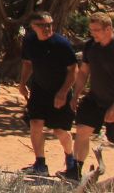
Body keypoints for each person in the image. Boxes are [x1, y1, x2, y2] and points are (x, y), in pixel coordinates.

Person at [64, 13, 114, 183]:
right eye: (91, 30)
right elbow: (84, 72)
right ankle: (74, 172)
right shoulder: (91, 46)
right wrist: (76, 94)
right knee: (82, 130)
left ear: (109, 29)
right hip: (95, 99)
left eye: (97, 30)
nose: (93, 33)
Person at [19, 10, 79, 176]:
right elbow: (27, 63)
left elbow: (74, 69)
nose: (47, 28)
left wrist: (63, 92)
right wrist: (23, 83)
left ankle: (70, 160)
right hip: (39, 89)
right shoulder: (29, 40)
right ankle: (40, 164)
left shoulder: (61, 44)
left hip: (60, 90)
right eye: (43, 25)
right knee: (35, 124)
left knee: (60, 130)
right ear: (33, 26)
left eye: (49, 25)